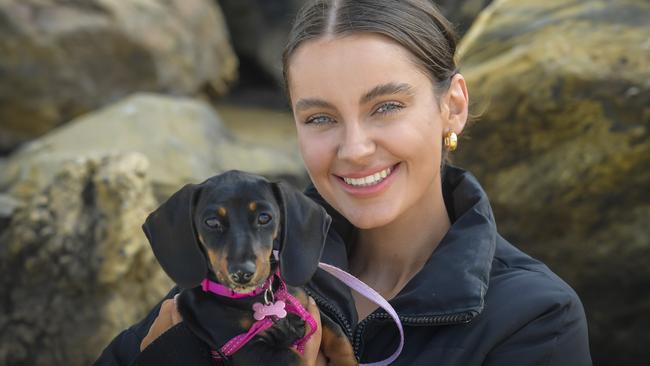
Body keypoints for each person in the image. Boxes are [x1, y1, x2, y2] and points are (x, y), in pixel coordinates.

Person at [95, 0, 592, 365]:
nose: (354, 148)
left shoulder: (535, 318)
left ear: (452, 107)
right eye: (319, 118)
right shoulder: (240, 267)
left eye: (386, 107)